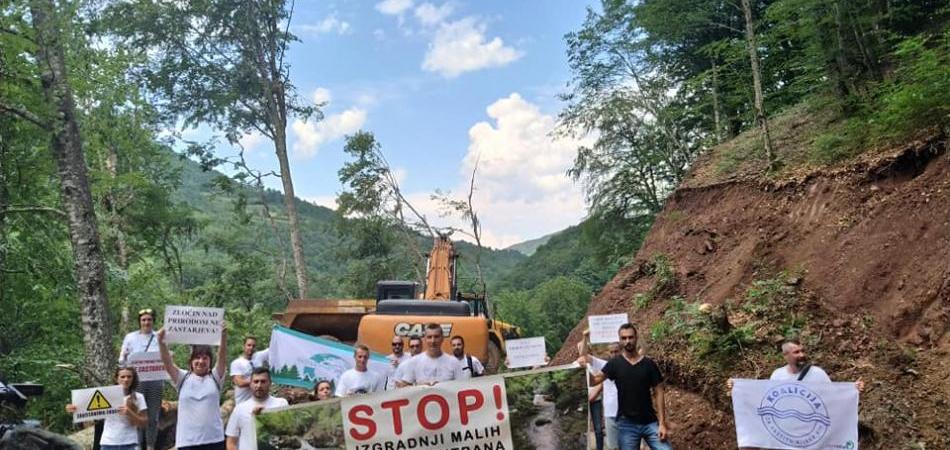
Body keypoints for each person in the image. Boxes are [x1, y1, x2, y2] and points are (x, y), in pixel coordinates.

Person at [726, 339, 865, 450]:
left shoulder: (817, 374)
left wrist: (853, 390)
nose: (802, 355)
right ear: (786, 356)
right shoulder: (777, 375)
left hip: (811, 439)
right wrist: (737, 388)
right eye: (796, 352)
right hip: (784, 438)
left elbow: (833, 399)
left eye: (802, 351)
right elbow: (765, 400)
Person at [583, 323, 671, 450]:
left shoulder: (649, 364)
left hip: (650, 422)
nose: (627, 341)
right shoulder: (614, 364)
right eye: (624, 338)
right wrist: (586, 369)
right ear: (620, 340)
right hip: (626, 424)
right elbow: (595, 381)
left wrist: (662, 424)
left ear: (636, 338)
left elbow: (659, 392)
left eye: (630, 337)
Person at [158, 324, 228, 450]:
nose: (201, 361)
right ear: (191, 361)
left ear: (210, 362)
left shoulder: (215, 377)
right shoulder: (182, 378)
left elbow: (222, 357)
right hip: (187, 441)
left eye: (205, 358)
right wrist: (161, 341)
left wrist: (223, 336)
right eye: (197, 357)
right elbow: (167, 363)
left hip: (214, 440)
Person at [66, 367, 147, 450]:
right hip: (108, 443)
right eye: (122, 377)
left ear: (133, 379)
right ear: (116, 379)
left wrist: (129, 413)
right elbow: (88, 414)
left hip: (130, 443)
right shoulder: (107, 395)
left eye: (129, 377)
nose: (126, 379)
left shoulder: (139, 397)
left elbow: (144, 423)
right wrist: (75, 409)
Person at [118, 308, 162, 450]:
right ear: (139, 322)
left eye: (149, 319)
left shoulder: (159, 337)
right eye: (143, 320)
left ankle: (150, 446)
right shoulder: (130, 337)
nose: (146, 322)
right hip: (136, 382)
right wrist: (124, 357)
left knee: (153, 416)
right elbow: (121, 362)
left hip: (155, 382)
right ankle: (136, 445)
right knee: (136, 413)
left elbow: (165, 358)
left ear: (153, 321)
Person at [225, 368, 288, 450]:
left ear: (270, 383)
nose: (259, 385)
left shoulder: (281, 404)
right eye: (256, 381)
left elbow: (288, 433)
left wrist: (262, 418)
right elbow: (231, 442)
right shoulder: (240, 409)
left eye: (263, 381)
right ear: (250, 384)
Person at [579, 332, 622, 450]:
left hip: (627, 414)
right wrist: (584, 337)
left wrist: (638, 334)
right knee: (614, 447)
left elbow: (643, 351)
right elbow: (584, 355)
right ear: (608, 353)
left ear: (621, 351)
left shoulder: (629, 364)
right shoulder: (605, 366)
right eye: (612, 352)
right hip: (610, 415)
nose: (614, 354)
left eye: (616, 351)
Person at [396, 323, 463, 387]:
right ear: (425, 339)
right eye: (429, 337)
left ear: (442, 338)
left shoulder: (454, 362)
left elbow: (461, 387)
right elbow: (402, 387)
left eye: (436, 337)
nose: (433, 341)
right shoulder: (414, 362)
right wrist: (418, 387)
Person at [230, 336, 259, 404]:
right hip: (242, 402)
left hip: (257, 402)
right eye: (249, 345)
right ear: (244, 346)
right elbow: (240, 383)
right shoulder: (236, 363)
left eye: (253, 346)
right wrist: (259, 381)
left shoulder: (257, 361)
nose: (251, 348)